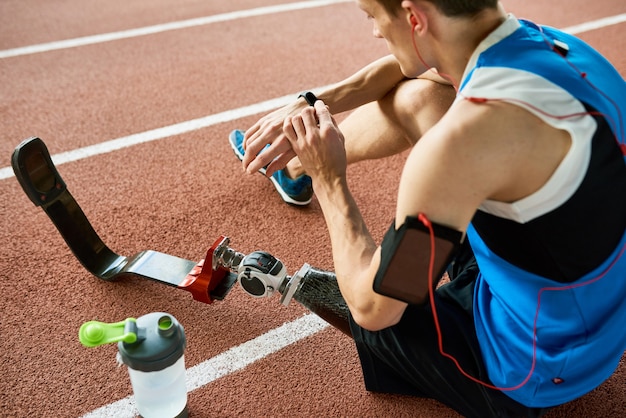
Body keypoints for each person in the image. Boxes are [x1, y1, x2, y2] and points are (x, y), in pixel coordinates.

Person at [229, 0, 626, 417]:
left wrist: (330, 180)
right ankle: (295, 169)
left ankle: (313, 173)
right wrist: (308, 102)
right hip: (586, 299)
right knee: (423, 97)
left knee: (374, 309)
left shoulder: (460, 146)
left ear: (414, 17)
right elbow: (403, 71)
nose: (375, 32)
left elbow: (373, 309)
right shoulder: (554, 47)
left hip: (537, 367)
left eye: (373, 17)